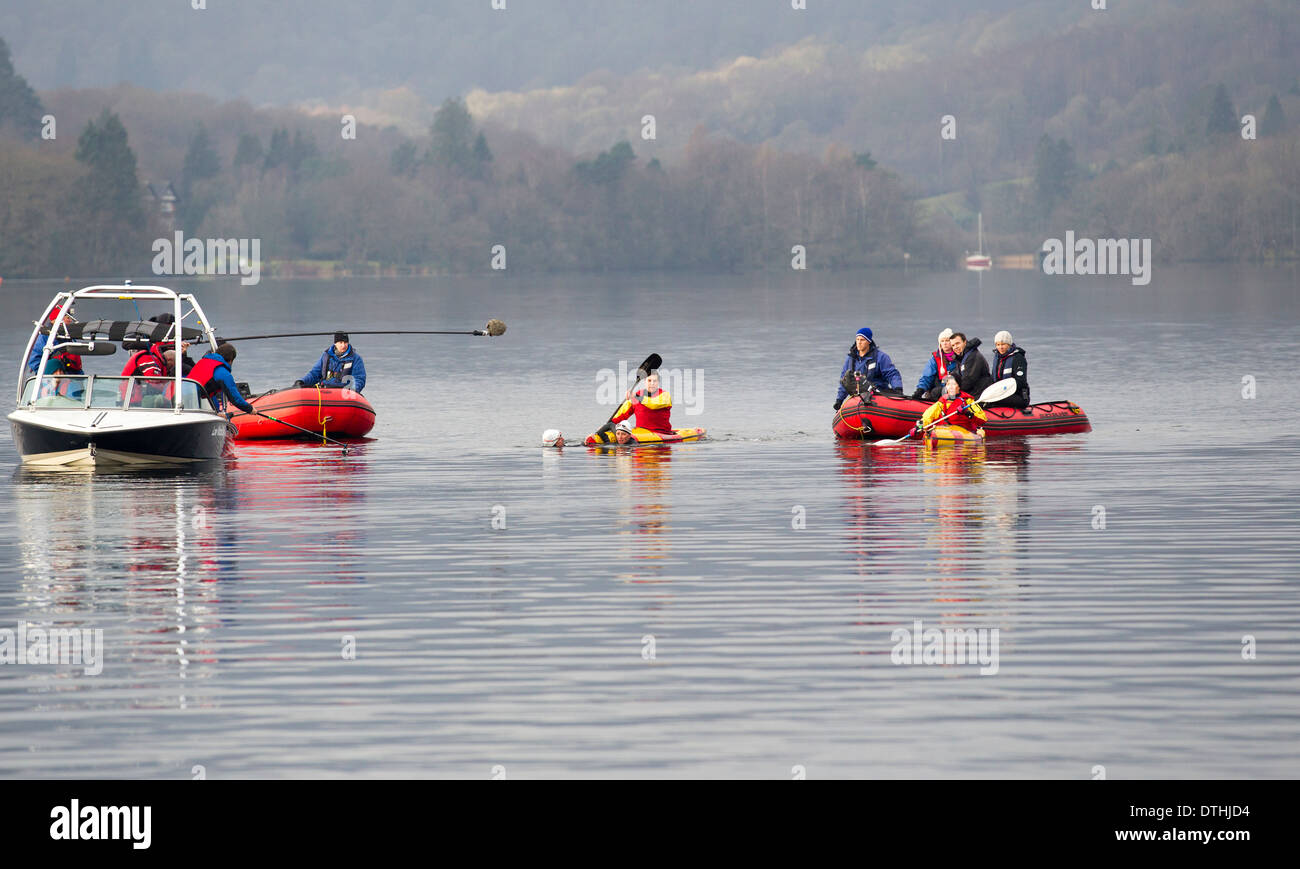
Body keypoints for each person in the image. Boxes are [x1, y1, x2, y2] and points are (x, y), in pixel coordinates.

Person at [833, 327, 902, 410]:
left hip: (877, 395)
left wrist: (898, 388)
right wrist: (839, 400)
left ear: (868, 341)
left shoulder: (881, 357)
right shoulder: (851, 359)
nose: (859, 342)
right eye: (857, 339)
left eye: (862, 340)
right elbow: (844, 380)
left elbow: (892, 374)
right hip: (857, 397)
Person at [188, 343, 254, 416]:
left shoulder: (203, 362)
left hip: (183, 399)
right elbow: (235, 399)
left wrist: (217, 412)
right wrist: (250, 409)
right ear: (231, 360)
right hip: (191, 404)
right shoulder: (223, 373)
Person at [914, 375, 986, 436]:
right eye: (948, 384)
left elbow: (982, 419)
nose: (951, 387)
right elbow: (928, 415)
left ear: (959, 387)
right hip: (946, 432)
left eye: (954, 384)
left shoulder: (968, 401)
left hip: (965, 432)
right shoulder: (941, 402)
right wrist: (919, 427)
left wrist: (967, 413)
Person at [298, 331, 366, 393]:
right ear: (335, 343)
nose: (343, 345)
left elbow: (359, 379)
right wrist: (302, 381)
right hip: (324, 391)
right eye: (340, 342)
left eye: (345, 342)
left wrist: (352, 390)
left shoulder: (355, 358)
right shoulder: (326, 356)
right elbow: (315, 373)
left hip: (344, 393)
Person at [28, 305, 83, 377]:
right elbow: (34, 362)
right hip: (52, 380)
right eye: (67, 317)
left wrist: (81, 380)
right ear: (57, 319)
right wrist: (51, 375)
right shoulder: (45, 337)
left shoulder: (70, 337)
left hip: (72, 380)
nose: (70, 320)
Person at [911, 327, 958, 401]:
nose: (945, 343)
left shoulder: (959, 357)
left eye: (947, 340)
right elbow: (927, 377)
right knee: (936, 390)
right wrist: (920, 390)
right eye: (942, 341)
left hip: (955, 390)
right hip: (938, 392)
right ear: (940, 344)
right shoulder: (935, 359)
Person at [987, 330, 1030, 409]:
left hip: (1018, 396)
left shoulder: (1018, 358)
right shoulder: (997, 358)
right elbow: (993, 379)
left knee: (994, 400)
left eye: (1003, 344)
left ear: (1009, 344)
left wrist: (1002, 391)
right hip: (1002, 393)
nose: (1000, 347)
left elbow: (1021, 382)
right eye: (998, 344)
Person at [949, 332, 993, 397]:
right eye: (953, 345)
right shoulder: (960, 358)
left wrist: (955, 390)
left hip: (979, 393)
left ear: (965, 342)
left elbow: (968, 381)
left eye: (957, 343)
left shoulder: (973, 356)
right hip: (971, 390)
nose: (955, 347)